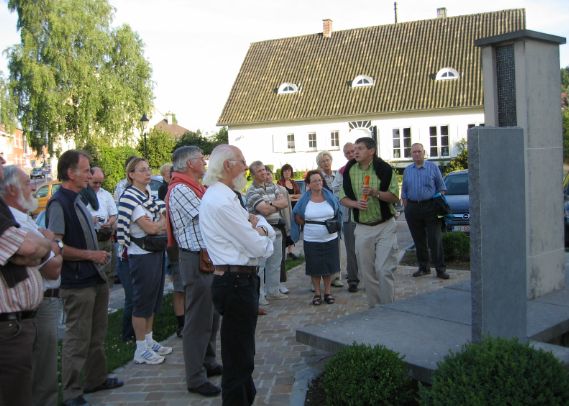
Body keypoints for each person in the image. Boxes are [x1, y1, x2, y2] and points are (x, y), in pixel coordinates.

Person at [200, 144, 275, 406]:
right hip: (235, 282)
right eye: (242, 162)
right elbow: (259, 245)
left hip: (239, 280)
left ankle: (245, 399)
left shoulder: (227, 197)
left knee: (242, 355)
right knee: (238, 358)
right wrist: (264, 232)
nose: (246, 167)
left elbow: (259, 225)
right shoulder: (221, 201)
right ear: (227, 165)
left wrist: (261, 228)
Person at [46, 150, 123, 406]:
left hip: (94, 277)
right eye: (86, 170)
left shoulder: (78, 199)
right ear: (71, 173)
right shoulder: (59, 202)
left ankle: (96, 378)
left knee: (97, 334)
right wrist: (90, 254)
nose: (91, 174)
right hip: (77, 282)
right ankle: (71, 393)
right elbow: (56, 246)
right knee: (77, 338)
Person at [0, 162, 59, 406]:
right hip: (9, 324)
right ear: (12, 190)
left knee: (33, 382)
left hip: (22, 320)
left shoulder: (19, 217)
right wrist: (46, 244)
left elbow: (36, 254)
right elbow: (38, 253)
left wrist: (39, 249)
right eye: (27, 182)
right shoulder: (9, 217)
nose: (34, 186)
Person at [166, 146, 222, 397]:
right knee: (198, 320)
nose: (205, 162)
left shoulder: (194, 187)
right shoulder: (181, 189)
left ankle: (208, 361)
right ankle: (195, 377)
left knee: (211, 316)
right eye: (201, 159)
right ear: (189, 164)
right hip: (195, 258)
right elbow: (208, 214)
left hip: (205, 257)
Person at [117, 157, 171, 365]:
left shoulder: (150, 195)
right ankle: (140, 348)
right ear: (131, 175)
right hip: (140, 254)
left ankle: (149, 340)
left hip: (155, 251)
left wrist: (158, 223)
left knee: (153, 298)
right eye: (142, 170)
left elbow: (164, 221)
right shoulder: (130, 197)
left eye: (148, 169)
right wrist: (158, 223)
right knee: (142, 301)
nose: (147, 173)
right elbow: (149, 228)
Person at [339, 137, 400, 308]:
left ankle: (388, 308)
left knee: (383, 269)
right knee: (367, 273)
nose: (355, 151)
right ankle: (375, 309)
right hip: (362, 228)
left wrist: (375, 192)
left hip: (384, 225)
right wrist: (355, 204)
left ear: (371, 151)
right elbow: (342, 197)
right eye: (354, 148)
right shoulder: (350, 169)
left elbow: (395, 197)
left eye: (360, 148)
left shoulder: (384, 169)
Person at [291, 170, 342, 305]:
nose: (318, 183)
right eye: (314, 181)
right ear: (308, 184)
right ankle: (317, 294)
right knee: (314, 267)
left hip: (330, 238)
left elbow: (338, 211)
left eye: (319, 180)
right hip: (311, 239)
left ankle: (328, 292)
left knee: (328, 267)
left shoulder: (329, 196)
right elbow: (296, 214)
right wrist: (308, 225)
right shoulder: (304, 199)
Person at [401, 143, 449, 279]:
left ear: (424, 152)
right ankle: (423, 267)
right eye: (414, 152)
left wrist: (437, 202)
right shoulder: (408, 170)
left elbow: (442, 187)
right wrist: (407, 206)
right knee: (419, 240)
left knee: (435, 239)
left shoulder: (432, 167)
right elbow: (404, 191)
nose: (416, 154)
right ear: (411, 154)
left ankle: (440, 269)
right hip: (413, 207)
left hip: (431, 207)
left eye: (419, 151)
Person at [245, 161, 289, 303]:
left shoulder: (272, 186)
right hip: (262, 232)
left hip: (277, 228)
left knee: (276, 262)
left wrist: (269, 204)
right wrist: (274, 204)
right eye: (259, 171)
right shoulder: (251, 191)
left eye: (264, 170)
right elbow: (263, 210)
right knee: (261, 265)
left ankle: (273, 291)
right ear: (252, 175)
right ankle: (260, 295)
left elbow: (284, 203)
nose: (264, 173)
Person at [332, 142, 360, 292]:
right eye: (347, 153)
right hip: (349, 215)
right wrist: (348, 196)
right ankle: (353, 278)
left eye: (352, 151)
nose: (351, 154)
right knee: (351, 249)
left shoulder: (367, 167)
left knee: (367, 248)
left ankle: (369, 277)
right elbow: (335, 189)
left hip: (367, 215)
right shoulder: (342, 171)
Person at [86, 167, 118, 288]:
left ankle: (106, 297)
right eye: (95, 182)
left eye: (100, 182)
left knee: (108, 270)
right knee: (94, 270)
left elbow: (114, 214)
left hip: (106, 236)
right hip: (92, 238)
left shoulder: (106, 194)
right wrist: (90, 220)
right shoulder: (82, 195)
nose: (98, 185)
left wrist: (109, 222)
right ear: (89, 178)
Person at [316, 151, 343, 287]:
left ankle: (336, 276)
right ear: (319, 164)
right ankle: (318, 278)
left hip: (337, 215)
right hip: (323, 216)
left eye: (327, 160)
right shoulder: (317, 178)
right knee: (321, 247)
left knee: (336, 247)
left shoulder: (338, 175)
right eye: (322, 161)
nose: (326, 163)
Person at [266, 165, 292, 294]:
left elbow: (287, 209)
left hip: (281, 225)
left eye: (269, 174)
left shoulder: (282, 190)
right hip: (266, 227)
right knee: (267, 256)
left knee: (280, 256)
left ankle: (280, 282)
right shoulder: (259, 192)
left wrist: (288, 227)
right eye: (265, 174)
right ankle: (267, 284)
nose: (267, 176)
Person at [277, 163, 300, 259]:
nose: (287, 172)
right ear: (282, 173)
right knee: (286, 228)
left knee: (293, 228)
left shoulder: (293, 183)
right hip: (285, 209)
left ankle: (290, 252)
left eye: (289, 170)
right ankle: (282, 252)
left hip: (295, 207)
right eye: (285, 171)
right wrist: (291, 197)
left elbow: (299, 195)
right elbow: (280, 197)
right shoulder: (279, 183)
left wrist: (291, 197)